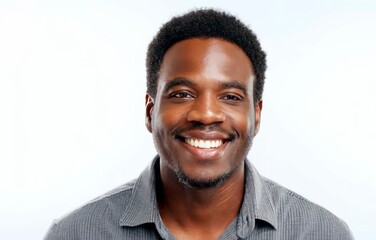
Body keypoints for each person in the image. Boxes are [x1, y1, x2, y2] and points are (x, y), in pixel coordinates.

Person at [44, 9, 353, 240]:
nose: (206, 114)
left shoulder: (321, 232)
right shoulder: (75, 233)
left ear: (256, 116)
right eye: (182, 94)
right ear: (150, 111)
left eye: (230, 96)